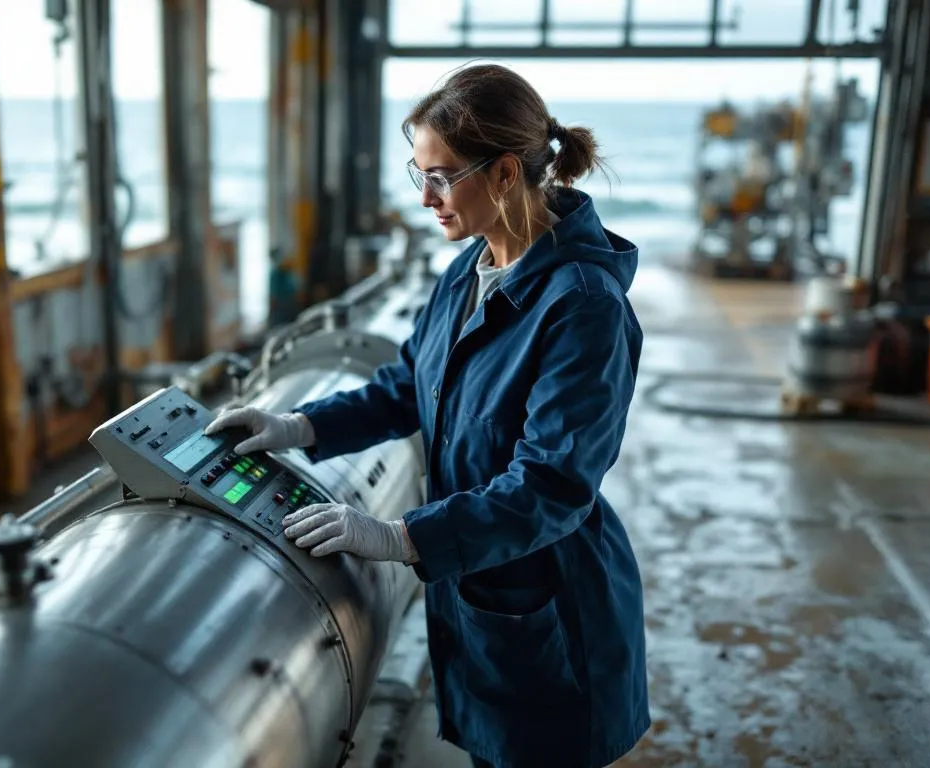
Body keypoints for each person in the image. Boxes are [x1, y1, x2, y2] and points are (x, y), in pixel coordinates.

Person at [206, 62, 649, 768]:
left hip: (551, 605)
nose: (425, 198)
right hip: (483, 595)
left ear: (504, 174)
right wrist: (296, 426)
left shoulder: (582, 306)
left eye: (440, 177)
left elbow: (553, 486)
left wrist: (399, 536)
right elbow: (409, 385)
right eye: (420, 174)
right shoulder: (468, 270)